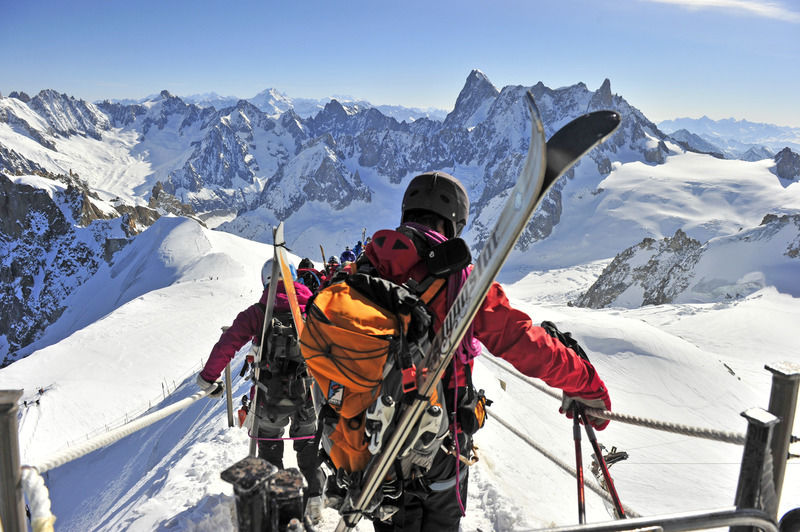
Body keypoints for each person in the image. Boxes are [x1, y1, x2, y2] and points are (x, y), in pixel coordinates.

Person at [348, 171, 612, 532]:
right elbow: (524, 343)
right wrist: (588, 384)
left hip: (372, 443)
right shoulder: (460, 281)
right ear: (455, 222)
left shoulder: (364, 268)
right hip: (437, 445)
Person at [196, 259, 325, 522]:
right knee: (308, 447)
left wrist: (207, 379)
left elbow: (227, 344)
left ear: (265, 281)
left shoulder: (257, 313)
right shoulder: (312, 308)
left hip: (269, 396)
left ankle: (282, 505)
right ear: (293, 280)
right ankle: (313, 501)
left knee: (269, 450)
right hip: (307, 392)